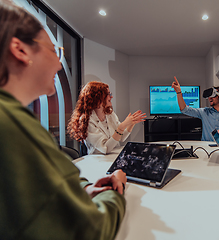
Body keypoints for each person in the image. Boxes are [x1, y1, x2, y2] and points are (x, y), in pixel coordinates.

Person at [0, 1, 128, 239]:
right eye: (54, 51)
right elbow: (91, 229)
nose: (60, 64)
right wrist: (114, 192)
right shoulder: (12, 125)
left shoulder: (14, 117)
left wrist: (86, 188)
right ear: (20, 50)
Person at [68, 81, 146, 154]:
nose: (111, 97)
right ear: (98, 98)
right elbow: (106, 148)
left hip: (112, 155)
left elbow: (121, 138)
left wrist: (131, 123)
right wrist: (122, 126)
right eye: (108, 94)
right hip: (98, 159)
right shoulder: (87, 120)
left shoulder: (109, 114)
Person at [172, 76, 219, 143]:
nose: (210, 98)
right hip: (207, 149)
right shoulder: (204, 112)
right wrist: (178, 92)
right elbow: (184, 109)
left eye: (213, 96)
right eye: (209, 96)